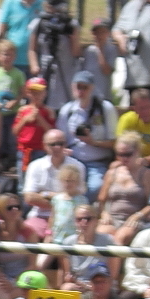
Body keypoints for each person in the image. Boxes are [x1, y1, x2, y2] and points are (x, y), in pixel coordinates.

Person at [58, 70, 117, 201]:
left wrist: (94, 142)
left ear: (92, 88)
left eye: (85, 87)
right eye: (78, 87)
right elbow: (61, 138)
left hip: (97, 161)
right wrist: (63, 149)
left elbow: (114, 142)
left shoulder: (105, 108)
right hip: (73, 160)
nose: (81, 91)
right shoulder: (67, 111)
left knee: (95, 187)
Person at [22, 129, 85, 239]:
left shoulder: (78, 167)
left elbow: (78, 196)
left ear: (65, 144)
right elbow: (29, 198)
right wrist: (63, 200)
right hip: (40, 216)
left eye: (61, 144)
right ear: (44, 146)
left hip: (69, 218)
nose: (57, 147)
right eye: (53, 144)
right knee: (28, 230)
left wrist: (46, 194)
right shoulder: (35, 166)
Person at [28, 0, 80, 111]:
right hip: (45, 72)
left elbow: (76, 53)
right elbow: (32, 49)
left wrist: (74, 38)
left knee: (65, 108)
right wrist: (34, 66)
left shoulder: (70, 24)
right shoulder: (39, 23)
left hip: (65, 73)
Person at [0, 0, 44, 77]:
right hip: (13, 61)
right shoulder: (9, 2)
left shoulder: (44, 3)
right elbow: (2, 31)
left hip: (35, 62)